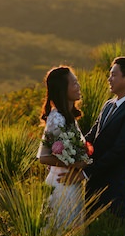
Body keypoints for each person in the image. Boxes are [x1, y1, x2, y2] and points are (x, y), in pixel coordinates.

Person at [82, 56, 125, 219]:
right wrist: (70, 156)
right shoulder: (108, 105)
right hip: (92, 187)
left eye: (113, 75)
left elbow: (119, 151)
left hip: (112, 190)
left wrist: (87, 172)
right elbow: (91, 136)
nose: (109, 79)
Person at [37, 66, 90, 227]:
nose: (78, 86)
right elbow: (43, 157)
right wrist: (75, 163)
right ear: (62, 89)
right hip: (62, 184)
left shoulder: (68, 117)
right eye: (73, 83)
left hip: (72, 184)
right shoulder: (57, 119)